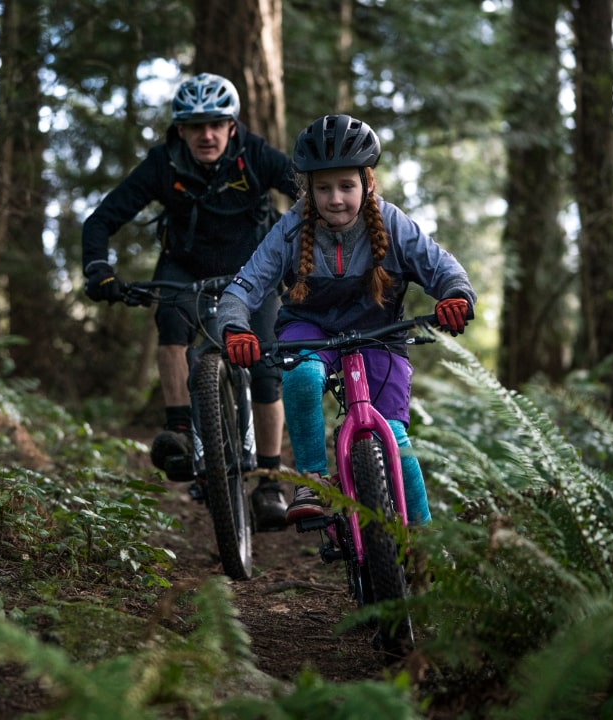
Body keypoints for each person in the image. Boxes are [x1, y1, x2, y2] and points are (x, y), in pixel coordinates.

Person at [216, 113, 476, 526]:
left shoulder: (392, 224)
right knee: (301, 377)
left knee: (394, 437)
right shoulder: (290, 229)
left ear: (367, 182)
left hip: (379, 333)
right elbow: (242, 288)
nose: (335, 198)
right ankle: (312, 481)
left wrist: (456, 297)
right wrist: (235, 327)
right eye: (323, 188)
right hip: (310, 327)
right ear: (307, 189)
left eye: (346, 186)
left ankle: (429, 544)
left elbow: (443, 269)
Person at [80, 73, 300, 531]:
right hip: (185, 266)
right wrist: (98, 269)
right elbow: (101, 220)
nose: (207, 134)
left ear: (232, 126)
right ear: (180, 129)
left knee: (265, 365)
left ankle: (269, 482)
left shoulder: (256, 154)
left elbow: (307, 195)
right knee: (172, 321)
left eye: (216, 123)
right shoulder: (163, 163)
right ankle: (180, 430)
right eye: (195, 125)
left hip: (254, 268)